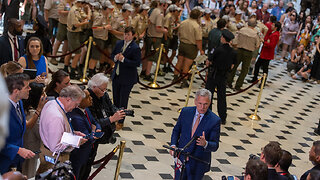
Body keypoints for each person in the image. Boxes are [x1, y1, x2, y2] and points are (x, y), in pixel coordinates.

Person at [170, 88, 221, 179]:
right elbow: (176, 130)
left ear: (209, 103)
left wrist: (205, 144)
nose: (202, 107)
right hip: (181, 158)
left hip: (198, 163)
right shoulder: (186, 112)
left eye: (206, 104)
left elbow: (215, 145)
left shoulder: (214, 120)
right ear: (195, 101)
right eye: (200, 103)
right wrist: (173, 145)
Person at [83, 73, 125, 179]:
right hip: (90, 137)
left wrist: (118, 111)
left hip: (101, 135)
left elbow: (111, 107)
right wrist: (111, 119)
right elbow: (92, 122)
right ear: (94, 87)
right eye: (102, 90)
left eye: (106, 89)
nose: (104, 92)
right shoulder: (87, 99)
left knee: (89, 163)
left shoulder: (103, 95)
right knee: (84, 165)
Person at [37, 85, 87, 173]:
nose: (76, 107)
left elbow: (55, 131)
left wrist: (73, 133)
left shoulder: (51, 103)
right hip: (55, 158)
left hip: (47, 151)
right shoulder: (57, 117)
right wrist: (76, 141)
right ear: (68, 99)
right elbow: (56, 146)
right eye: (76, 104)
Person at [0, 73, 35, 174]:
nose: (30, 89)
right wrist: (18, 150)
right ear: (16, 91)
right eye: (27, 87)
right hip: (3, 164)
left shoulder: (19, 102)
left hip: (16, 161)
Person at [111, 27, 141, 130]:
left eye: (128, 34)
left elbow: (137, 63)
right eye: (125, 34)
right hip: (117, 75)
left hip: (127, 78)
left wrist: (124, 60)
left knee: (123, 100)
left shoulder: (135, 47)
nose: (126, 36)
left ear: (133, 35)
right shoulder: (119, 43)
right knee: (115, 98)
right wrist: (115, 58)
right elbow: (112, 54)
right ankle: (115, 118)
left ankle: (121, 121)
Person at [67, 89, 101, 180]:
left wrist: (97, 129)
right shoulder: (76, 116)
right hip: (79, 154)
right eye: (88, 97)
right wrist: (94, 132)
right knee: (76, 175)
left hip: (87, 152)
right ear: (80, 100)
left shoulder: (86, 110)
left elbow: (95, 122)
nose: (91, 99)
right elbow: (87, 138)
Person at [205, 29, 236, 125]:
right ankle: (222, 117)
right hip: (223, 76)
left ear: (223, 38)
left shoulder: (217, 49)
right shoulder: (234, 52)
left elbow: (208, 61)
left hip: (214, 74)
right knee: (222, 97)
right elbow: (232, 66)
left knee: (209, 95)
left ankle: (207, 115)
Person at [21, 82, 47, 178]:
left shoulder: (23, 107)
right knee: (27, 174)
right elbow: (40, 134)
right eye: (43, 93)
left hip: (25, 147)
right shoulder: (33, 114)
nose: (45, 96)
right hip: (30, 150)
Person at [173, 9, 204, 88]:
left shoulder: (183, 22)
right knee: (187, 64)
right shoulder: (196, 26)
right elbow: (198, 40)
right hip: (191, 46)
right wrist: (201, 50)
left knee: (179, 62)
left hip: (182, 44)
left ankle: (175, 77)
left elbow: (179, 33)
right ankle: (184, 80)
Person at [227, 18, 260, 91]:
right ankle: (238, 85)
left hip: (239, 50)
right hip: (248, 52)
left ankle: (228, 82)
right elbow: (257, 45)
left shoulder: (241, 30)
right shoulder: (255, 33)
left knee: (234, 66)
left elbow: (235, 41)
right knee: (244, 70)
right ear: (255, 25)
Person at [142, 0, 168, 81]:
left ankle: (144, 71)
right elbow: (158, 28)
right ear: (163, 4)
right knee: (152, 57)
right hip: (155, 37)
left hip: (150, 36)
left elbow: (150, 22)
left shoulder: (154, 10)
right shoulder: (159, 13)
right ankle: (147, 74)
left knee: (147, 54)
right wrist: (165, 31)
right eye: (166, 4)